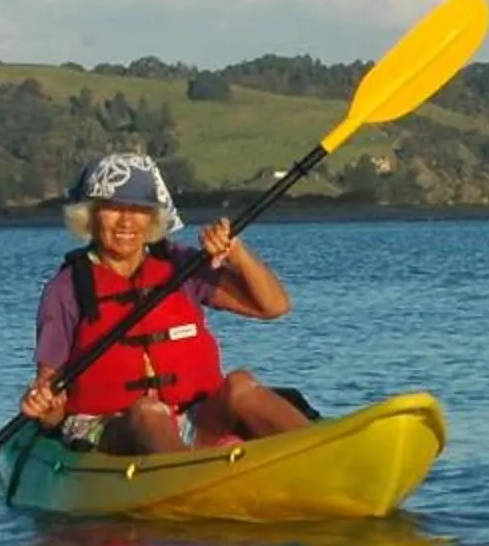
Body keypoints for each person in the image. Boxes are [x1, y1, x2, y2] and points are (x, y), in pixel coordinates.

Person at [19, 152, 312, 453]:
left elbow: (274, 306)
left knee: (241, 384)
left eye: (139, 209)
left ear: (153, 217)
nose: (126, 221)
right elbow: (51, 398)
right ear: (91, 214)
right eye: (112, 208)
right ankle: (188, 481)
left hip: (194, 419)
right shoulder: (66, 288)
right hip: (107, 428)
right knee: (149, 413)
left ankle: (321, 450)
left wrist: (236, 254)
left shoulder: (179, 266)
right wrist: (43, 404)